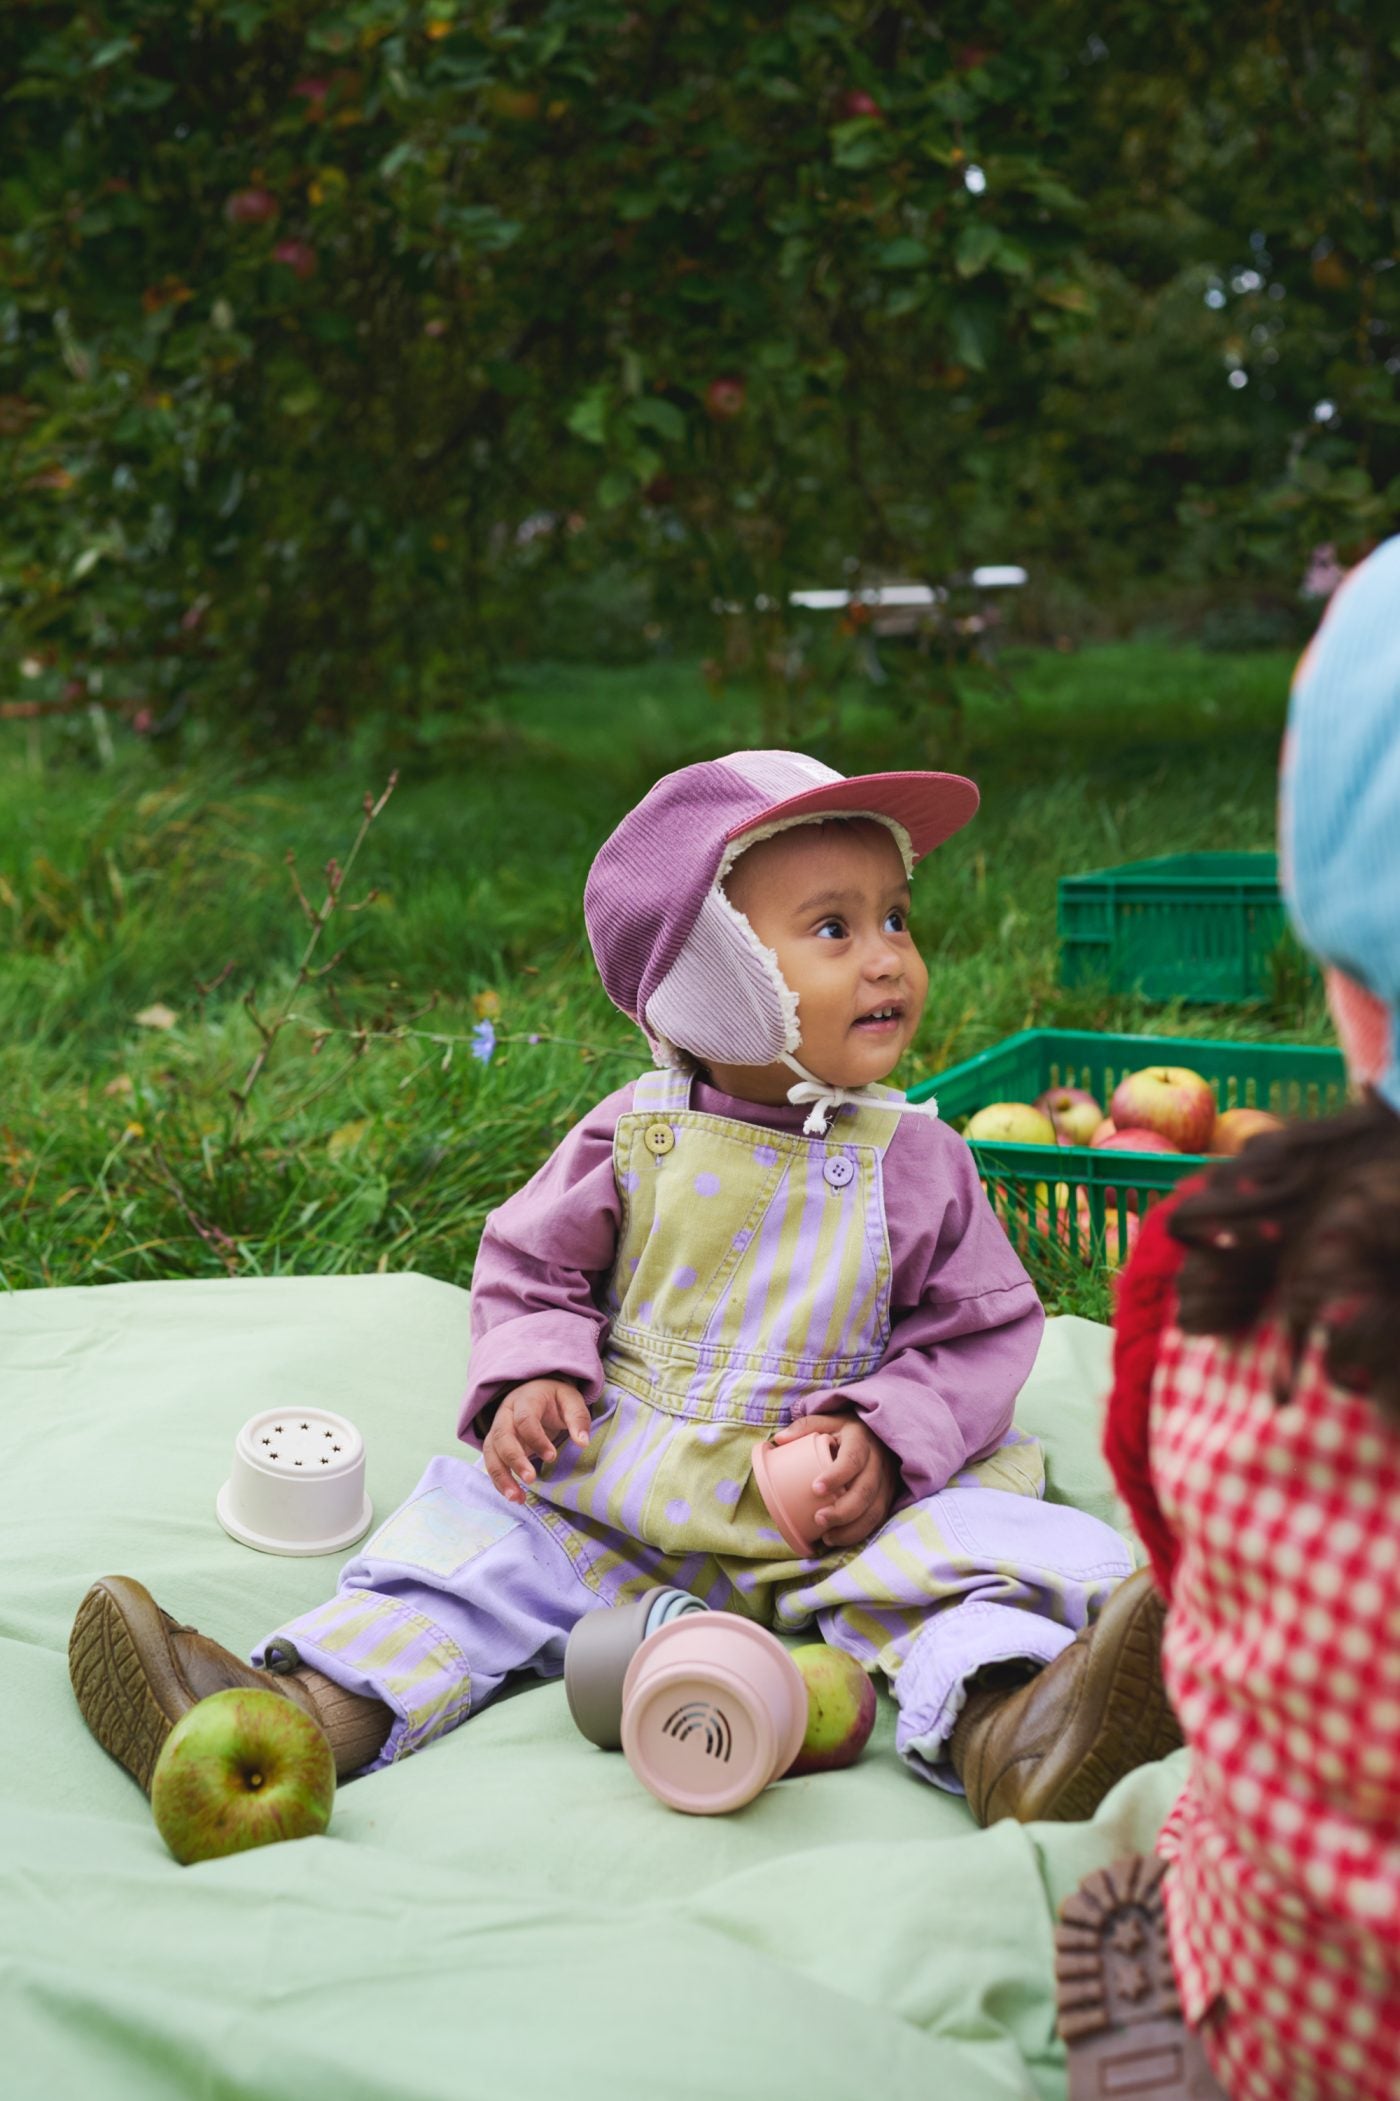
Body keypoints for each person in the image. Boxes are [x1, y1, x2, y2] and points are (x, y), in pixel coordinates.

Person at [71, 749, 1180, 1823]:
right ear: (712, 975)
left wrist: (886, 1438)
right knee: (473, 1558)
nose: (888, 956)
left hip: (838, 1517)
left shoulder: (917, 1158)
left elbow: (980, 1328)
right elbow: (529, 1267)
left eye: (895, 917)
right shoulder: (631, 1136)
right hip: (626, 1493)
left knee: (977, 1567)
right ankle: (287, 1713)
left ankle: (1021, 1733)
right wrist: (532, 1376)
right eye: (833, 928)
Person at [1057, 536, 1400, 2101]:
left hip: (1292, 2035)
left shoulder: (1208, 1260)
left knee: (1167, 1864)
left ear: (1348, 981)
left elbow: (1187, 1569)